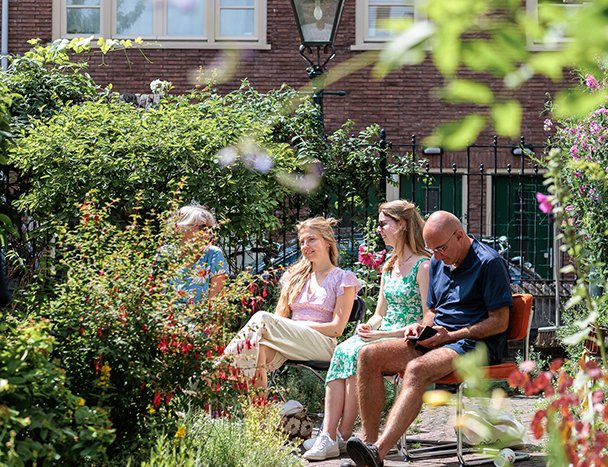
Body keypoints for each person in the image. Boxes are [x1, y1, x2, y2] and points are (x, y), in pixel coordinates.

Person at [344, 210, 512, 467]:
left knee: (416, 369)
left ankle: (376, 454)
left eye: (441, 249)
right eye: (431, 250)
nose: (436, 256)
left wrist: (451, 336)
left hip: (472, 344)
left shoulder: (489, 263)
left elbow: (500, 321)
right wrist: (421, 327)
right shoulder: (438, 260)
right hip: (437, 338)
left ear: (459, 235)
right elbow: (432, 310)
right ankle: (368, 447)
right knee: (368, 355)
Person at [302, 200, 431, 461]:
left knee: (357, 353)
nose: (379, 230)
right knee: (343, 350)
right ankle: (330, 435)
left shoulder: (423, 266)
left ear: (402, 225)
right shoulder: (388, 266)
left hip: (405, 337)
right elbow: (380, 314)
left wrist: (383, 335)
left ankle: (345, 434)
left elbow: (425, 317)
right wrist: (368, 325)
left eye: (384, 224)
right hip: (381, 334)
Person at [224, 217, 361, 390]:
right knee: (258, 350)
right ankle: (259, 412)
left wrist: (298, 326)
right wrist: (291, 327)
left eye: (311, 239)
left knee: (262, 317)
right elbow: (280, 319)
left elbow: (336, 329)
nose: (305, 246)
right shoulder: (295, 277)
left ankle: (217, 371)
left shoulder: (343, 278)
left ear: (327, 242)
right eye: (302, 242)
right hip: (292, 342)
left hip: (323, 344)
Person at [171, 205, 228, 302]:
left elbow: (216, 302)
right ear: (181, 227)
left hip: (199, 316)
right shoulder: (165, 254)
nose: (208, 233)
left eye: (210, 228)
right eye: (203, 227)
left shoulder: (212, 254)